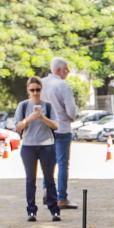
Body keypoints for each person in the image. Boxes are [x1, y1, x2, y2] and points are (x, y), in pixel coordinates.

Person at [14, 77, 60, 222]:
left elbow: (56, 125)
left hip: (47, 145)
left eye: (37, 90)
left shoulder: (48, 106)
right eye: (32, 90)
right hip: (28, 146)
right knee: (30, 179)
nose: (35, 93)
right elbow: (18, 127)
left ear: (41, 90)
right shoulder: (22, 106)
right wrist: (30, 118)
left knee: (49, 179)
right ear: (28, 90)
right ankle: (31, 211)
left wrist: (42, 117)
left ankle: (55, 210)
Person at [41, 57, 79, 209]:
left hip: (45, 128)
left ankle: (47, 192)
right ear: (59, 70)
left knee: (48, 163)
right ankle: (61, 197)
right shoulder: (63, 85)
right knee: (62, 163)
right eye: (66, 69)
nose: (68, 72)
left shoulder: (41, 83)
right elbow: (71, 112)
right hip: (62, 128)